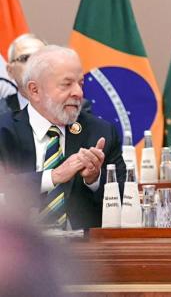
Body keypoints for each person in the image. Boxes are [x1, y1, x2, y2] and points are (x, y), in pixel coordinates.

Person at [0, 46, 125, 229]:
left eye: (80, 84)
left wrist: (95, 179)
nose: (78, 93)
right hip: (17, 244)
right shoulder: (4, 131)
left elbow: (126, 200)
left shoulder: (100, 132)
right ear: (34, 90)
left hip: (85, 246)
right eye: (67, 84)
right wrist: (53, 176)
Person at [0, 34, 47, 115]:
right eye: (25, 58)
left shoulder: (68, 106)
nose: (33, 64)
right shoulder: (2, 112)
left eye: (40, 58)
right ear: (10, 71)